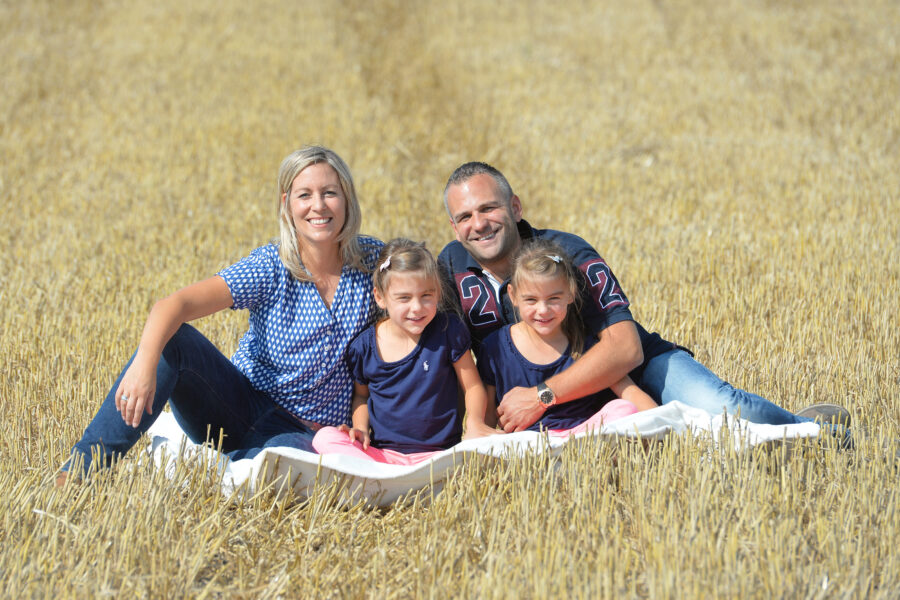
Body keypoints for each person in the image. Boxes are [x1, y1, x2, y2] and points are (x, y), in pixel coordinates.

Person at [437, 161, 850, 434]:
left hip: (633, 372)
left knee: (729, 413)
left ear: (515, 207)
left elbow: (626, 349)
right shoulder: (450, 266)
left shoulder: (567, 253)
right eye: (465, 216)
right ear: (455, 228)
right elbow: (439, 354)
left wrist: (541, 396)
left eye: (488, 209)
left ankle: (816, 431)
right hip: (557, 406)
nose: (479, 224)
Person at [57, 146, 384, 485]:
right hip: (236, 406)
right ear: (287, 203)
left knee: (284, 469)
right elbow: (174, 305)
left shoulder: (373, 263)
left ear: (347, 198)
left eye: (329, 193)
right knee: (174, 341)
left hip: (305, 433)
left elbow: (414, 306)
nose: (318, 205)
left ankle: (222, 465)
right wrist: (143, 366)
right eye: (305, 195)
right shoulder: (269, 265)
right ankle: (77, 472)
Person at [312, 239, 497, 465]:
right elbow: (362, 396)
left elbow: (473, 386)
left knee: (495, 448)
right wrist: (360, 428)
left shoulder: (448, 331)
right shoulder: (364, 347)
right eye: (404, 298)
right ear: (380, 298)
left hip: (441, 456)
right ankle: (388, 476)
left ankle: (394, 479)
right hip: (384, 456)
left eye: (426, 295)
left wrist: (475, 423)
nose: (417, 307)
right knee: (324, 437)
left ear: (438, 293)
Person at [477, 239, 656, 436]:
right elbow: (487, 419)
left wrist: (663, 424)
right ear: (513, 295)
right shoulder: (495, 347)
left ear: (571, 293)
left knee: (623, 409)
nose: (543, 310)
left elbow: (630, 393)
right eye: (531, 300)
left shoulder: (586, 343)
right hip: (529, 442)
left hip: (583, 436)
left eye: (553, 299)